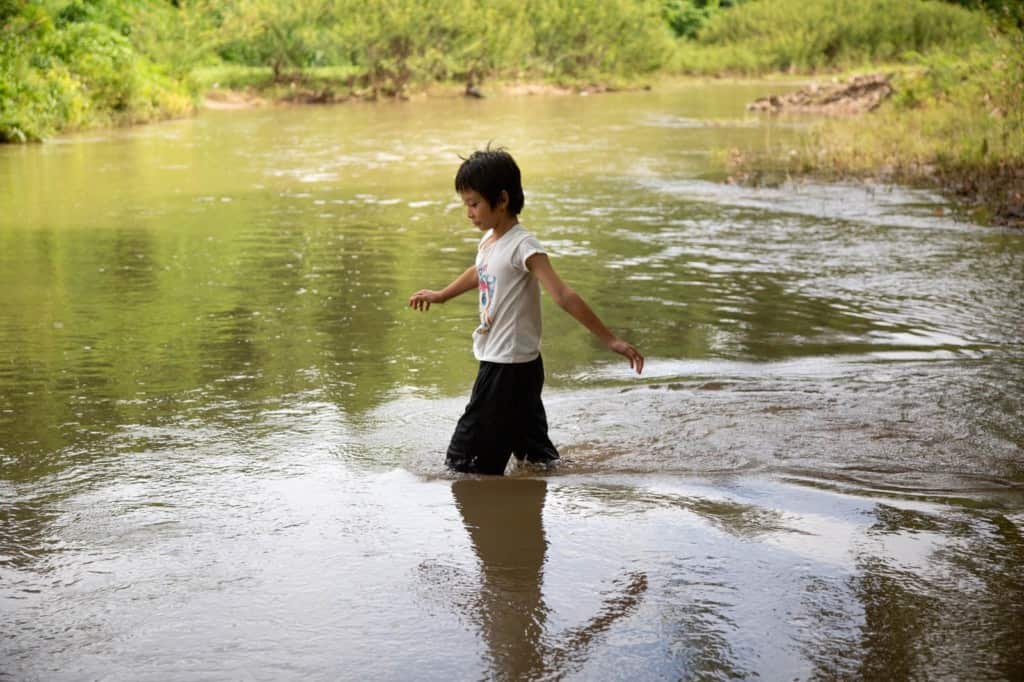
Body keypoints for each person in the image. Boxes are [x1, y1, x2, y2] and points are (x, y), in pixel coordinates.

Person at [409, 147, 644, 475]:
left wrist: (611, 340)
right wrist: (442, 295)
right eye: (466, 204)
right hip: (518, 366)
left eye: (474, 203)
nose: (469, 212)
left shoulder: (524, 246)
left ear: (501, 200)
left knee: (464, 463)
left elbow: (563, 295)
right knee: (537, 460)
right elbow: (481, 270)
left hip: (508, 367)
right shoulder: (491, 241)